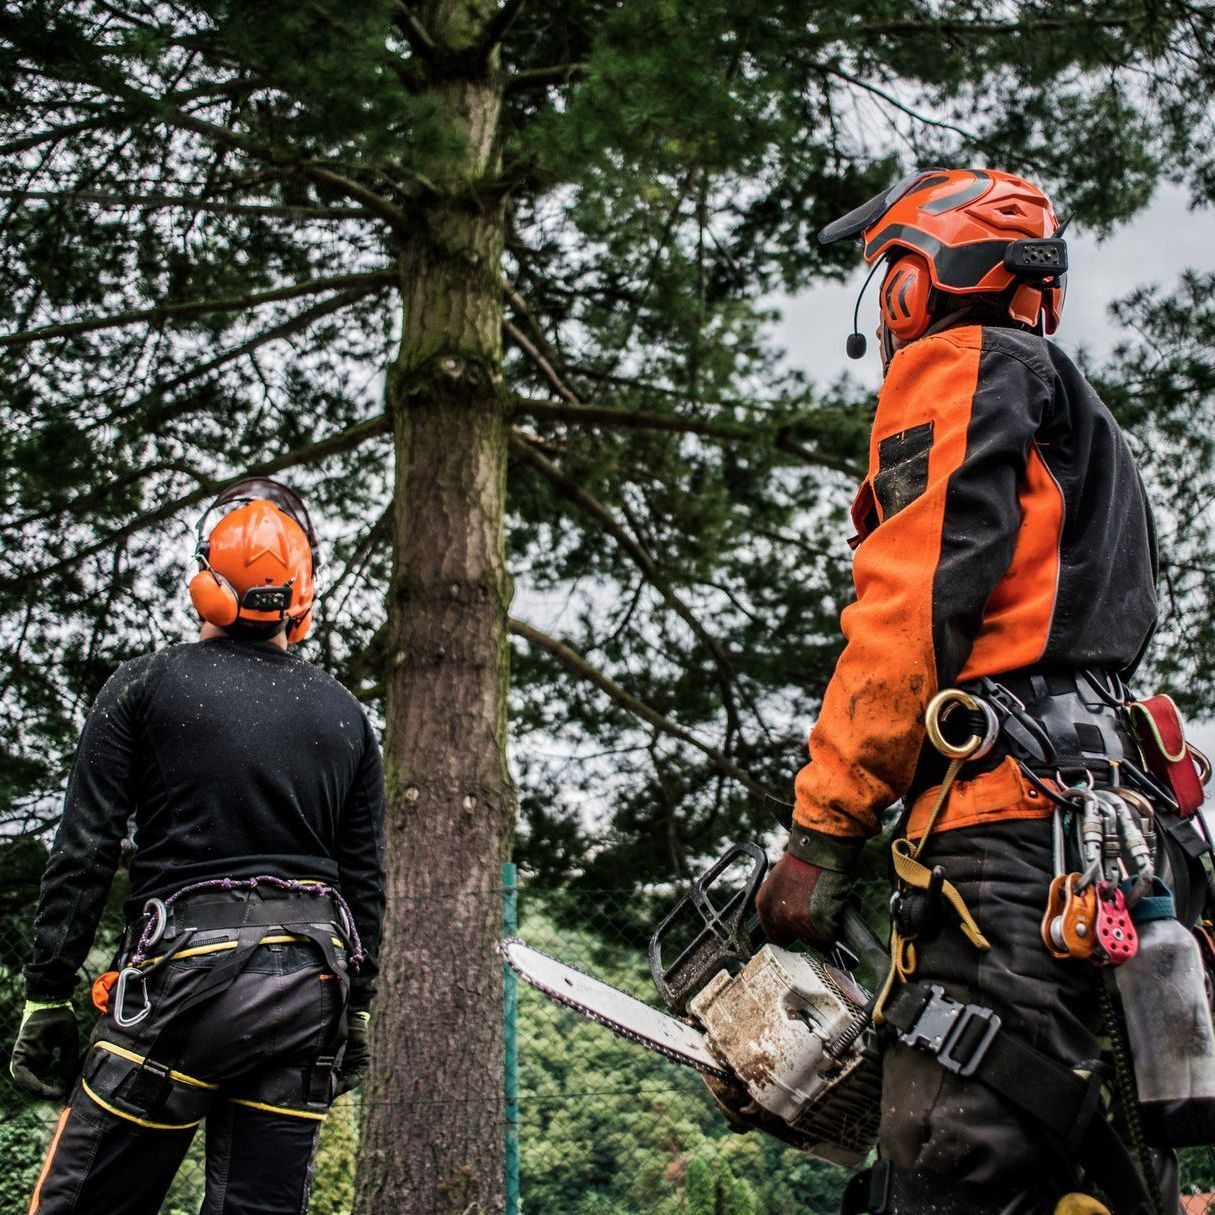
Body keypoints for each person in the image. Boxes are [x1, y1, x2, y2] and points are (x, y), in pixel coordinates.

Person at [755, 168, 1204, 1214]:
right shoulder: (1084, 421)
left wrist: (822, 834)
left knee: (954, 1169)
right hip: (1117, 847)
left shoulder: (959, 366)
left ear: (918, 278)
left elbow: (909, 611)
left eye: (891, 280)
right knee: (1106, 1172)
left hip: (1008, 848)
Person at [10, 476, 385, 1214]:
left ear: (204, 584)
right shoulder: (345, 716)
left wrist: (47, 991)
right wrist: (359, 1010)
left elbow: (84, 849)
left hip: (180, 987)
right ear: (300, 600)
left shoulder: (144, 687)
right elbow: (363, 881)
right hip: (309, 994)